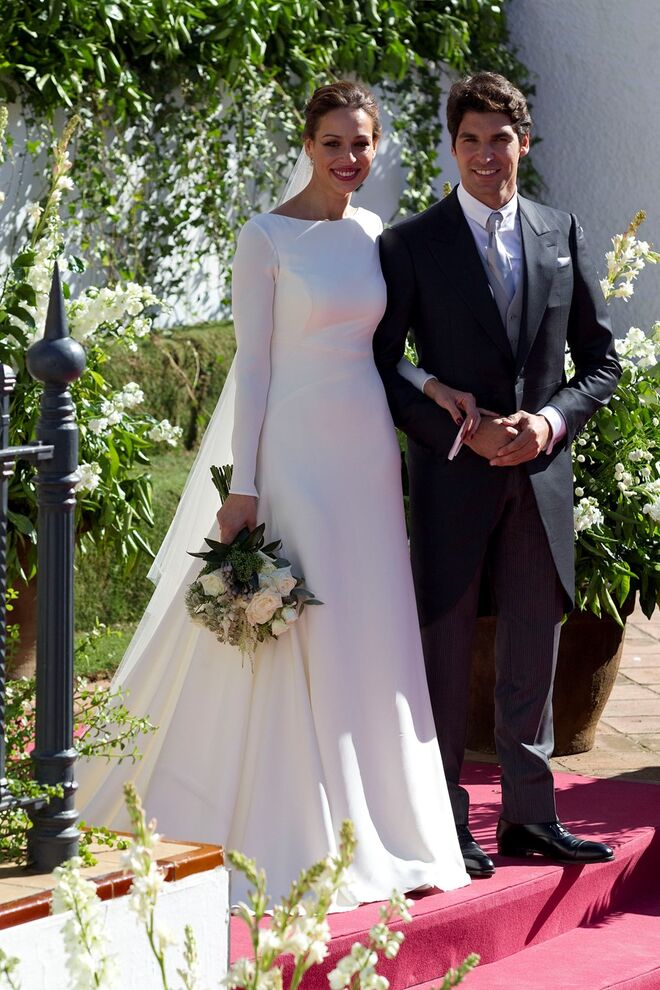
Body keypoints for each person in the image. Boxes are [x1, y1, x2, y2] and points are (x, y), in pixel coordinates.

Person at [76, 80, 472, 908]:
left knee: (367, 619)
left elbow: (381, 352)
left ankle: (382, 819)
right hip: (296, 455)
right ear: (308, 144)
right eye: (333, 143)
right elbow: (252, 369)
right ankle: (295, 824)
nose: (349, 158)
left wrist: (430, 385)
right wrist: (244, 485)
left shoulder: (374, 233)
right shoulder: (266, 237)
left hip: (367, 455)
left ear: (377, 145)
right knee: (302, 623)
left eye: (361, 143)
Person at [373, 71, 622, 878]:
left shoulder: (560, 229)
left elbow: (601, 362)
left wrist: (547, 423)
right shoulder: (411, 243)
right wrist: (463, 434)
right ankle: (444, 821)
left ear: (525, 142)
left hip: (539, 482)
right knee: (444, 658)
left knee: (531, 658)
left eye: (500, 139)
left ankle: (531, 818)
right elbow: (381, 364)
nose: (486, 155)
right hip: (452, 481)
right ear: (453, 147)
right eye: (471, 140)